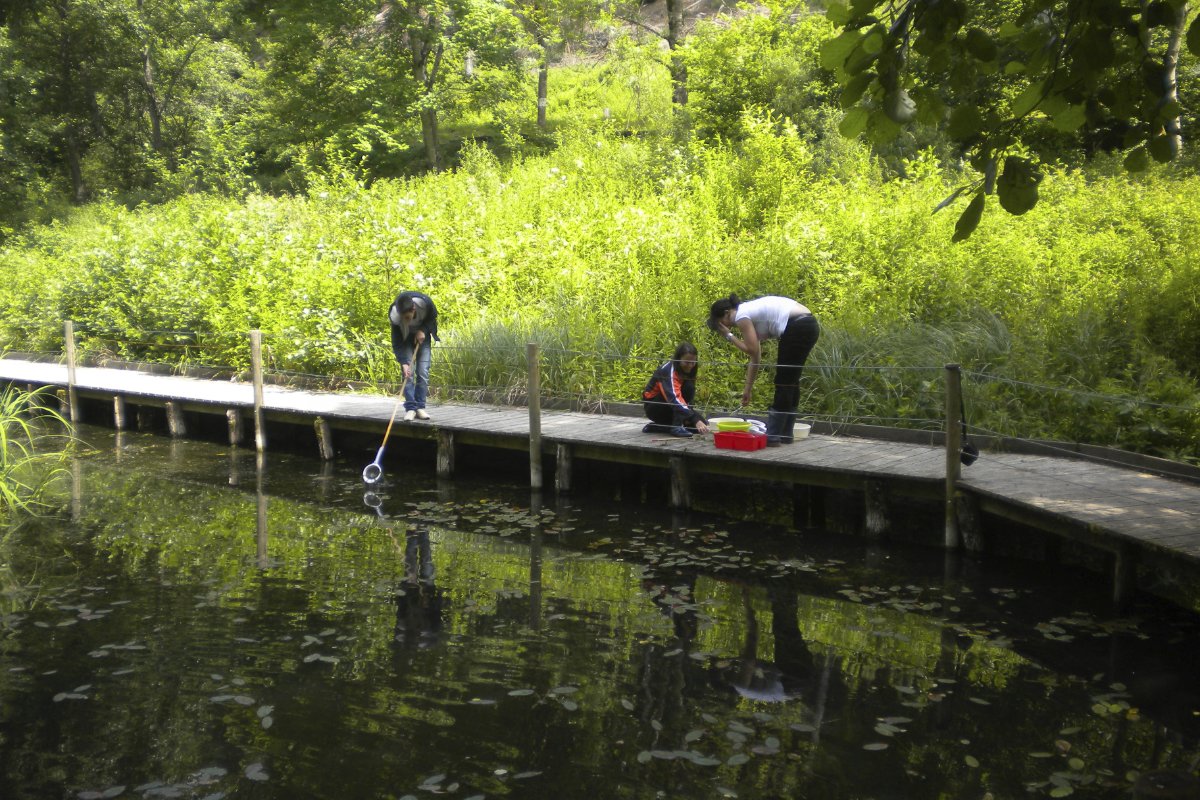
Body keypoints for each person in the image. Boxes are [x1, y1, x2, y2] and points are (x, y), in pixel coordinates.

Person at [707, 293, 819, 445]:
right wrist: (748, 388)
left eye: (722, 324)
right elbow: (756, 358)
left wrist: (729, 336)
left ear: (727, 313)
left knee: (784, 381)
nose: (727, 328)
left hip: (797, 325)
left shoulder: (741, 315)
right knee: (790, 379)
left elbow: (751, 350)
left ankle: (773, 435)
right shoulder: (749, 313)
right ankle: (785, 434)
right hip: (807, 324)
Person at [389, 290, 440, 421]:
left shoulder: (424, 303)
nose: (404, 321)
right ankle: (411, 408)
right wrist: (404, 363)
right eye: (402, 318)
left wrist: (422, 330)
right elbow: (397, 342)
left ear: (413, 309)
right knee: (407, 374)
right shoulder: (395, 315)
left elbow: (433, 316)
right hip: (405, 338)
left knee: (422, 371)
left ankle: (420, 407)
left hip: (423, 336)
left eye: (407, 317)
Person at [642, 342, 710, 438]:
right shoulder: (668, 371)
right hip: (655, 406)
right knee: (688, 387)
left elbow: (687, 399)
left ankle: (659, 427)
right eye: (687, 362)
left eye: (693, 362)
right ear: (678, 359)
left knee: (702, 426)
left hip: (672, 406)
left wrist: (693, 417)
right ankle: (676, 426)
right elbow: (674, 398)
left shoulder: (690, 368)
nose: (690, 365)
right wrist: (693, 418)